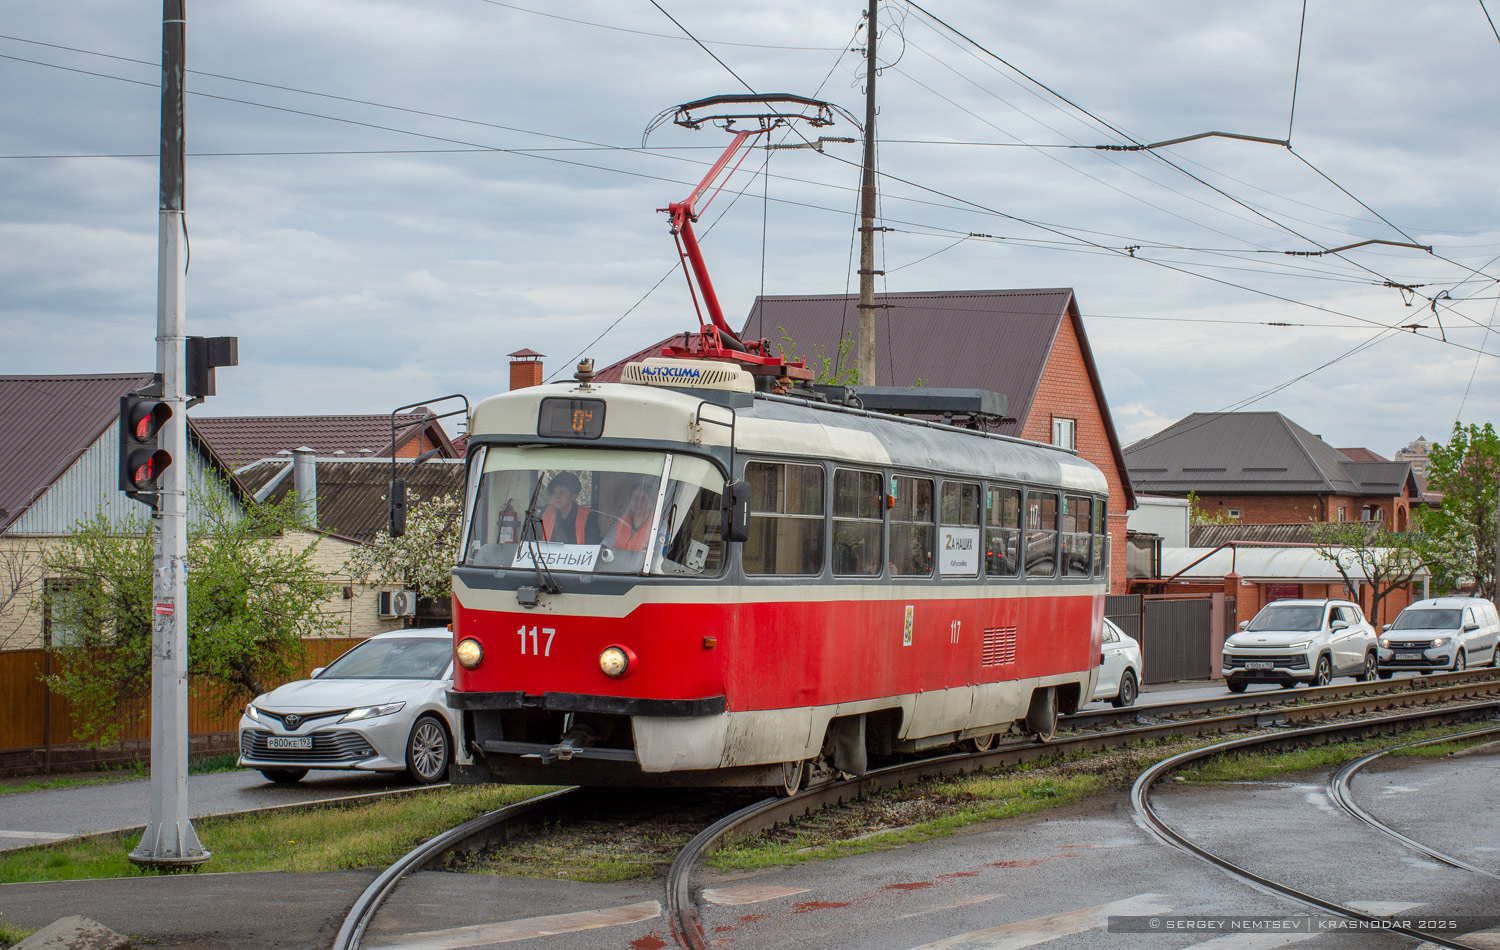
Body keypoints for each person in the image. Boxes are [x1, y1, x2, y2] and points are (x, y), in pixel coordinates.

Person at [541, 472, 602, 544]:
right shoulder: (546, 511)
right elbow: (534, 538)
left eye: (562, 492)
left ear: (573, 496)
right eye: (554, 492)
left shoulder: (588, 516)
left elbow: (593, 544)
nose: (557, 496)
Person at [607, 482, 656, 551]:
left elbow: (658, 553)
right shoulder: (619, 522)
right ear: (630, 501)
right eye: (635, 498)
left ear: (652, 502)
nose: (638, 502)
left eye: (643, 499)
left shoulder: (658, 525)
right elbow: (606, 547)